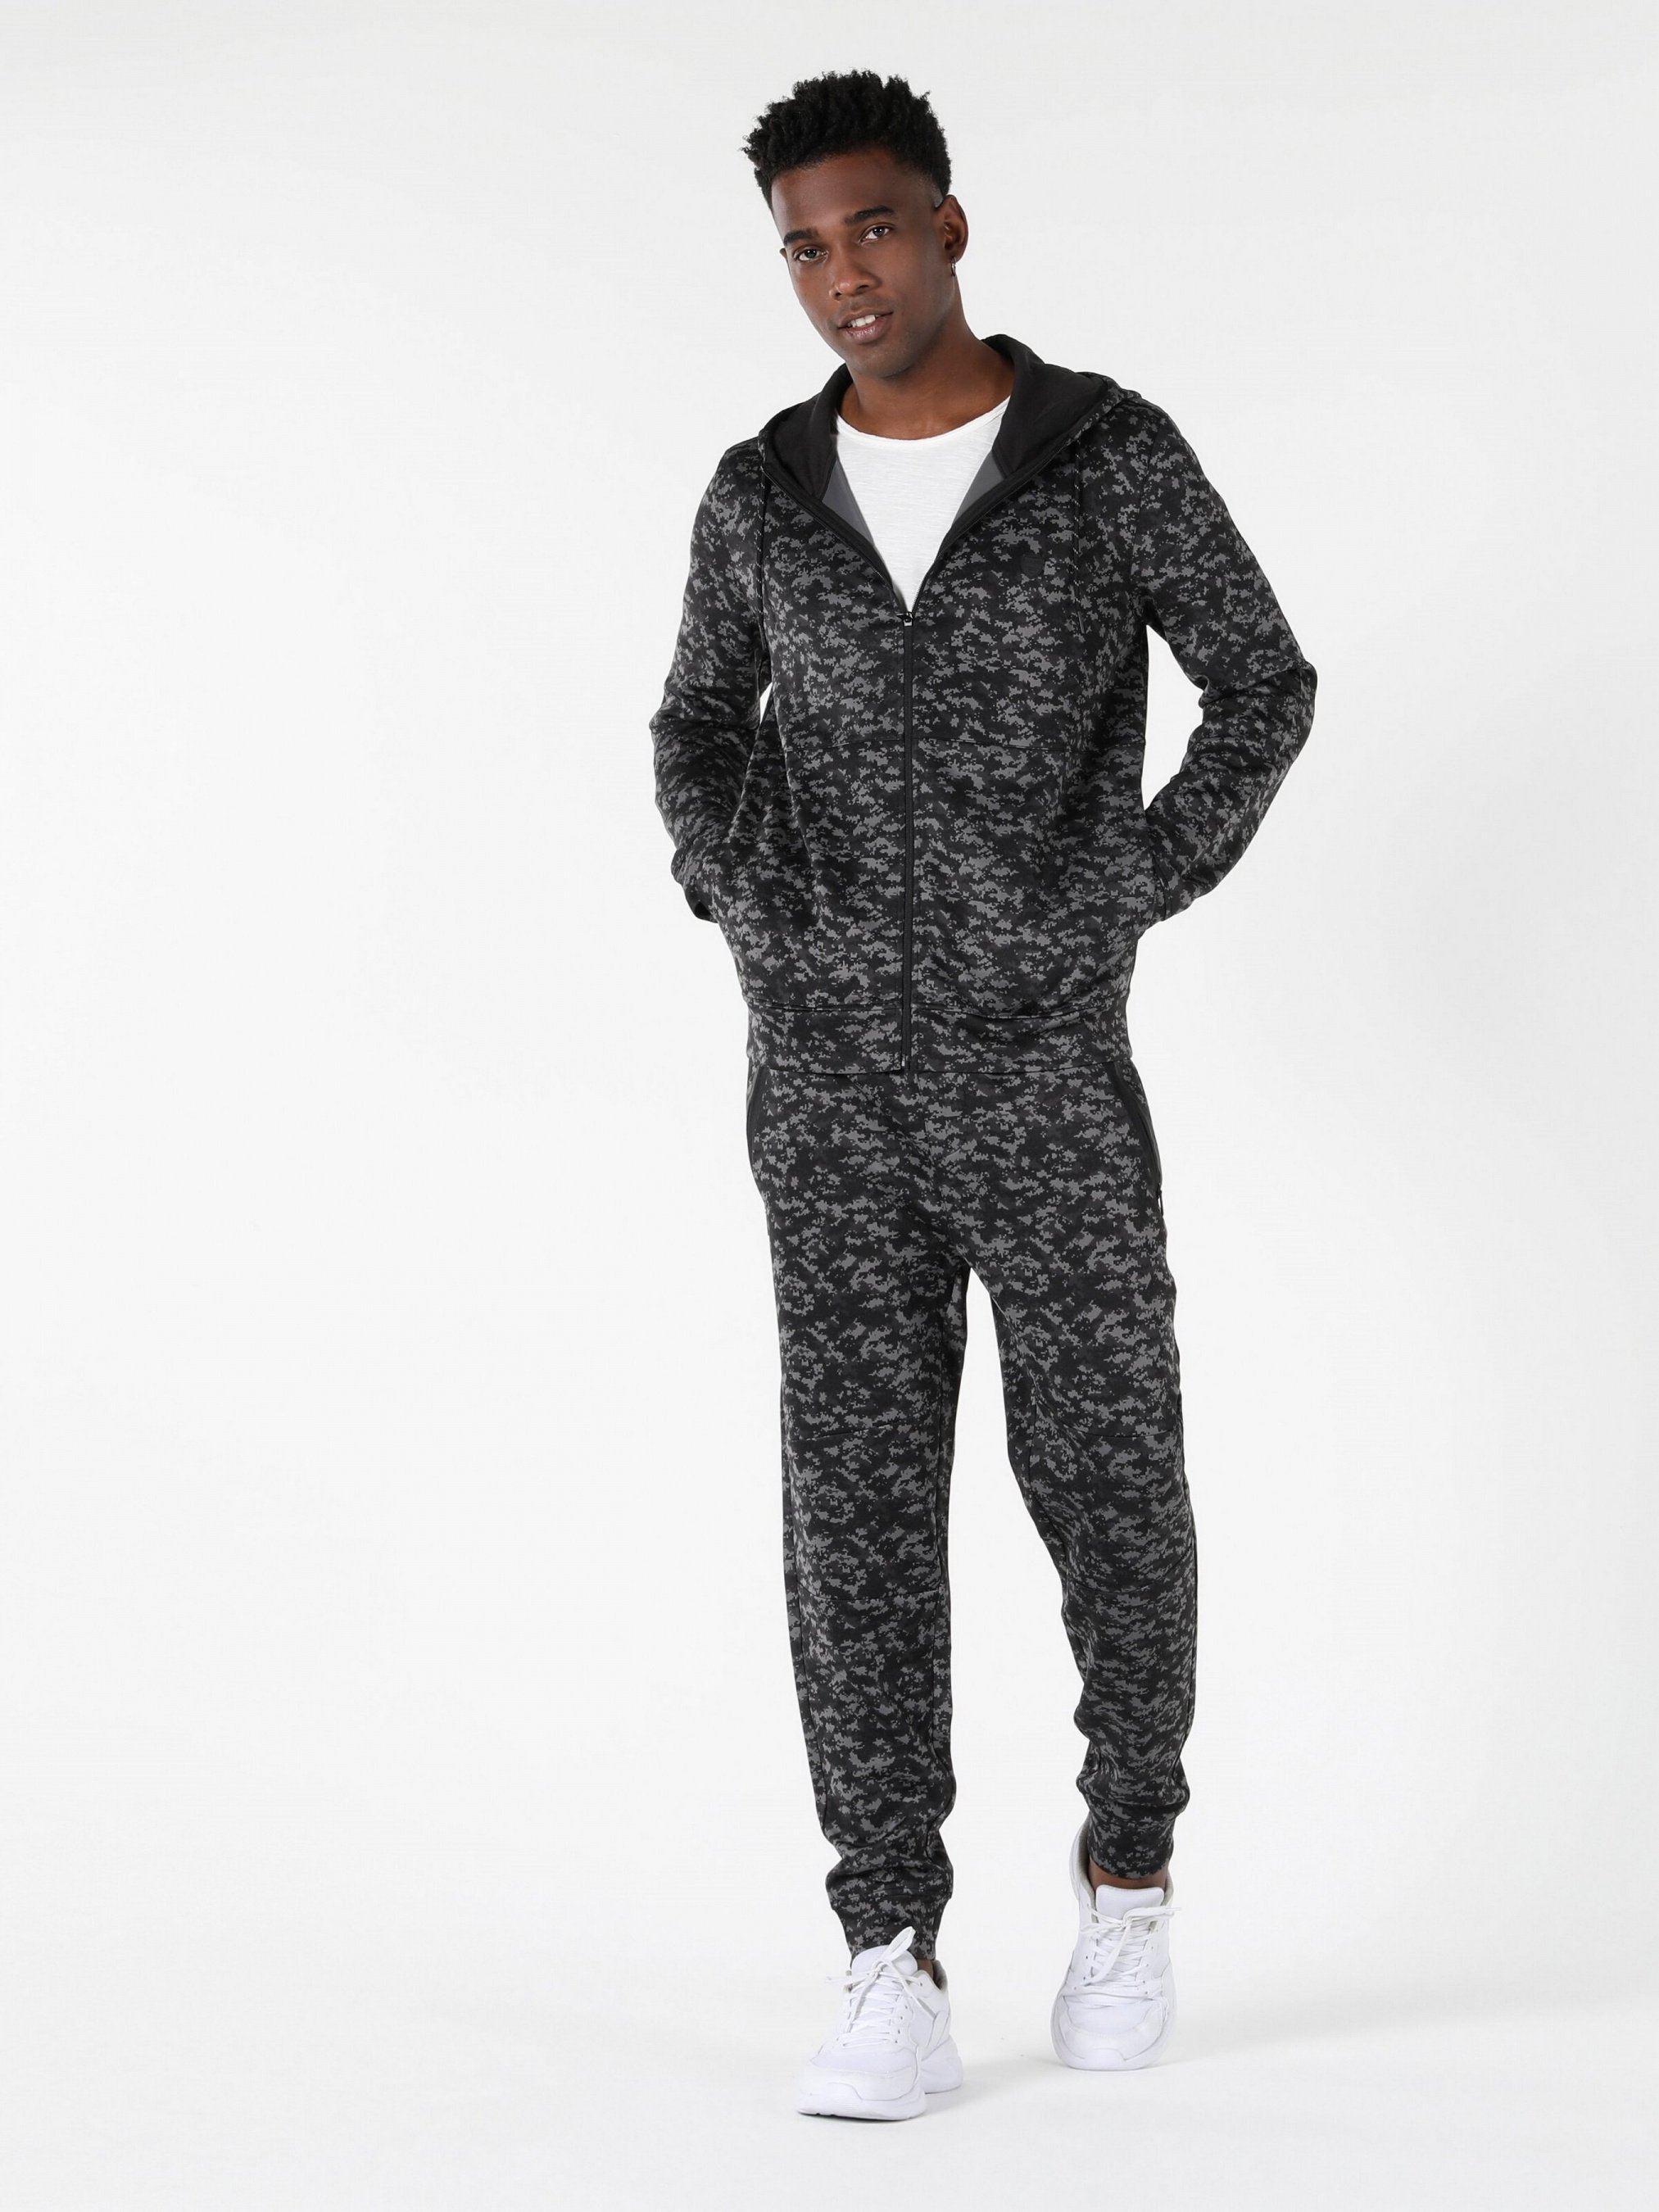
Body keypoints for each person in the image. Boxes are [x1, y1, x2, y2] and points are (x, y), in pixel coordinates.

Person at [649, 68, 1317, 2121]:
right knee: (853, 1515)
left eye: (871, 228)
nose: (841, 276)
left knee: (1108, 1481)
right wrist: (744, 899)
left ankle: (1128, 1874)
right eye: (802, 247)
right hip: (827, 1097)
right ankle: (888, 1950)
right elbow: (693, 723)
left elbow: (1260, 681)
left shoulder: (1105, 456)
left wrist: (1119, 888)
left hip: (1044, 1081)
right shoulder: (762, 493)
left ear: (945, 224)